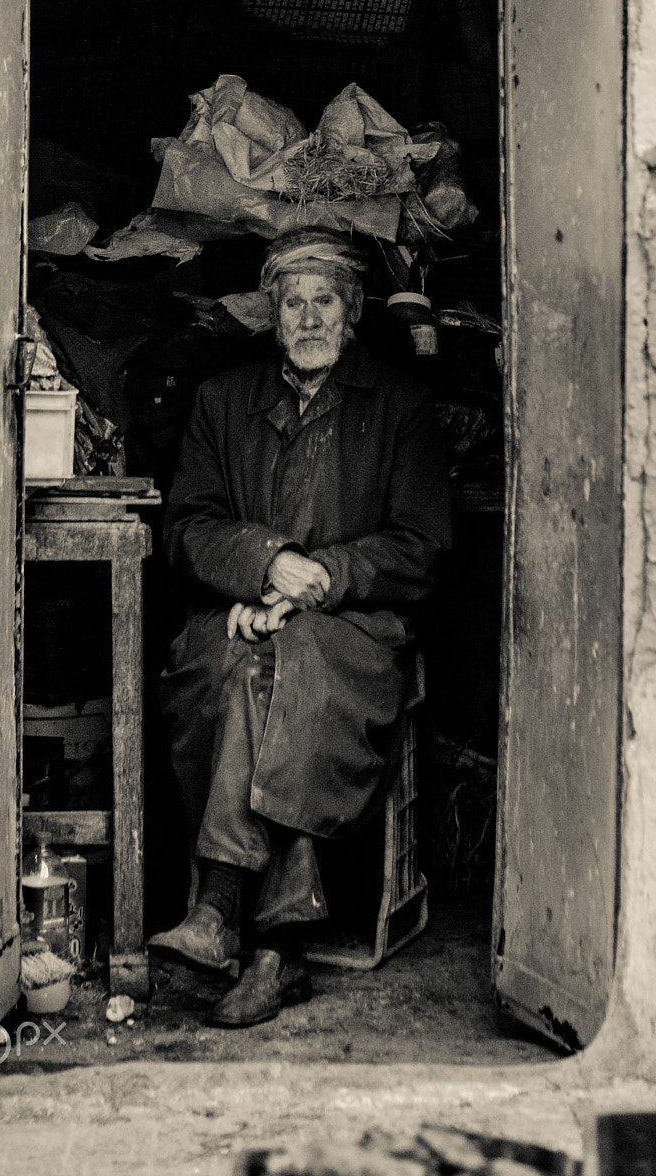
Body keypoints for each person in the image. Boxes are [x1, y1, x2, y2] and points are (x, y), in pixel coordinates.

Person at [148, 228, 452, 1027]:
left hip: (351, 626)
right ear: (272, 316)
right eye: (294, 302)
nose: (310, 317)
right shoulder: (224, 402)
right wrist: (263, 562)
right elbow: (187, 527)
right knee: (231, 667)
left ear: (352, 316)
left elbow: (423, 542)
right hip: (243, 613)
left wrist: (318, 579)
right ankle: (280, 943)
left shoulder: (399, 405)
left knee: (287, 666)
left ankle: (220, 906)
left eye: (326, 301)